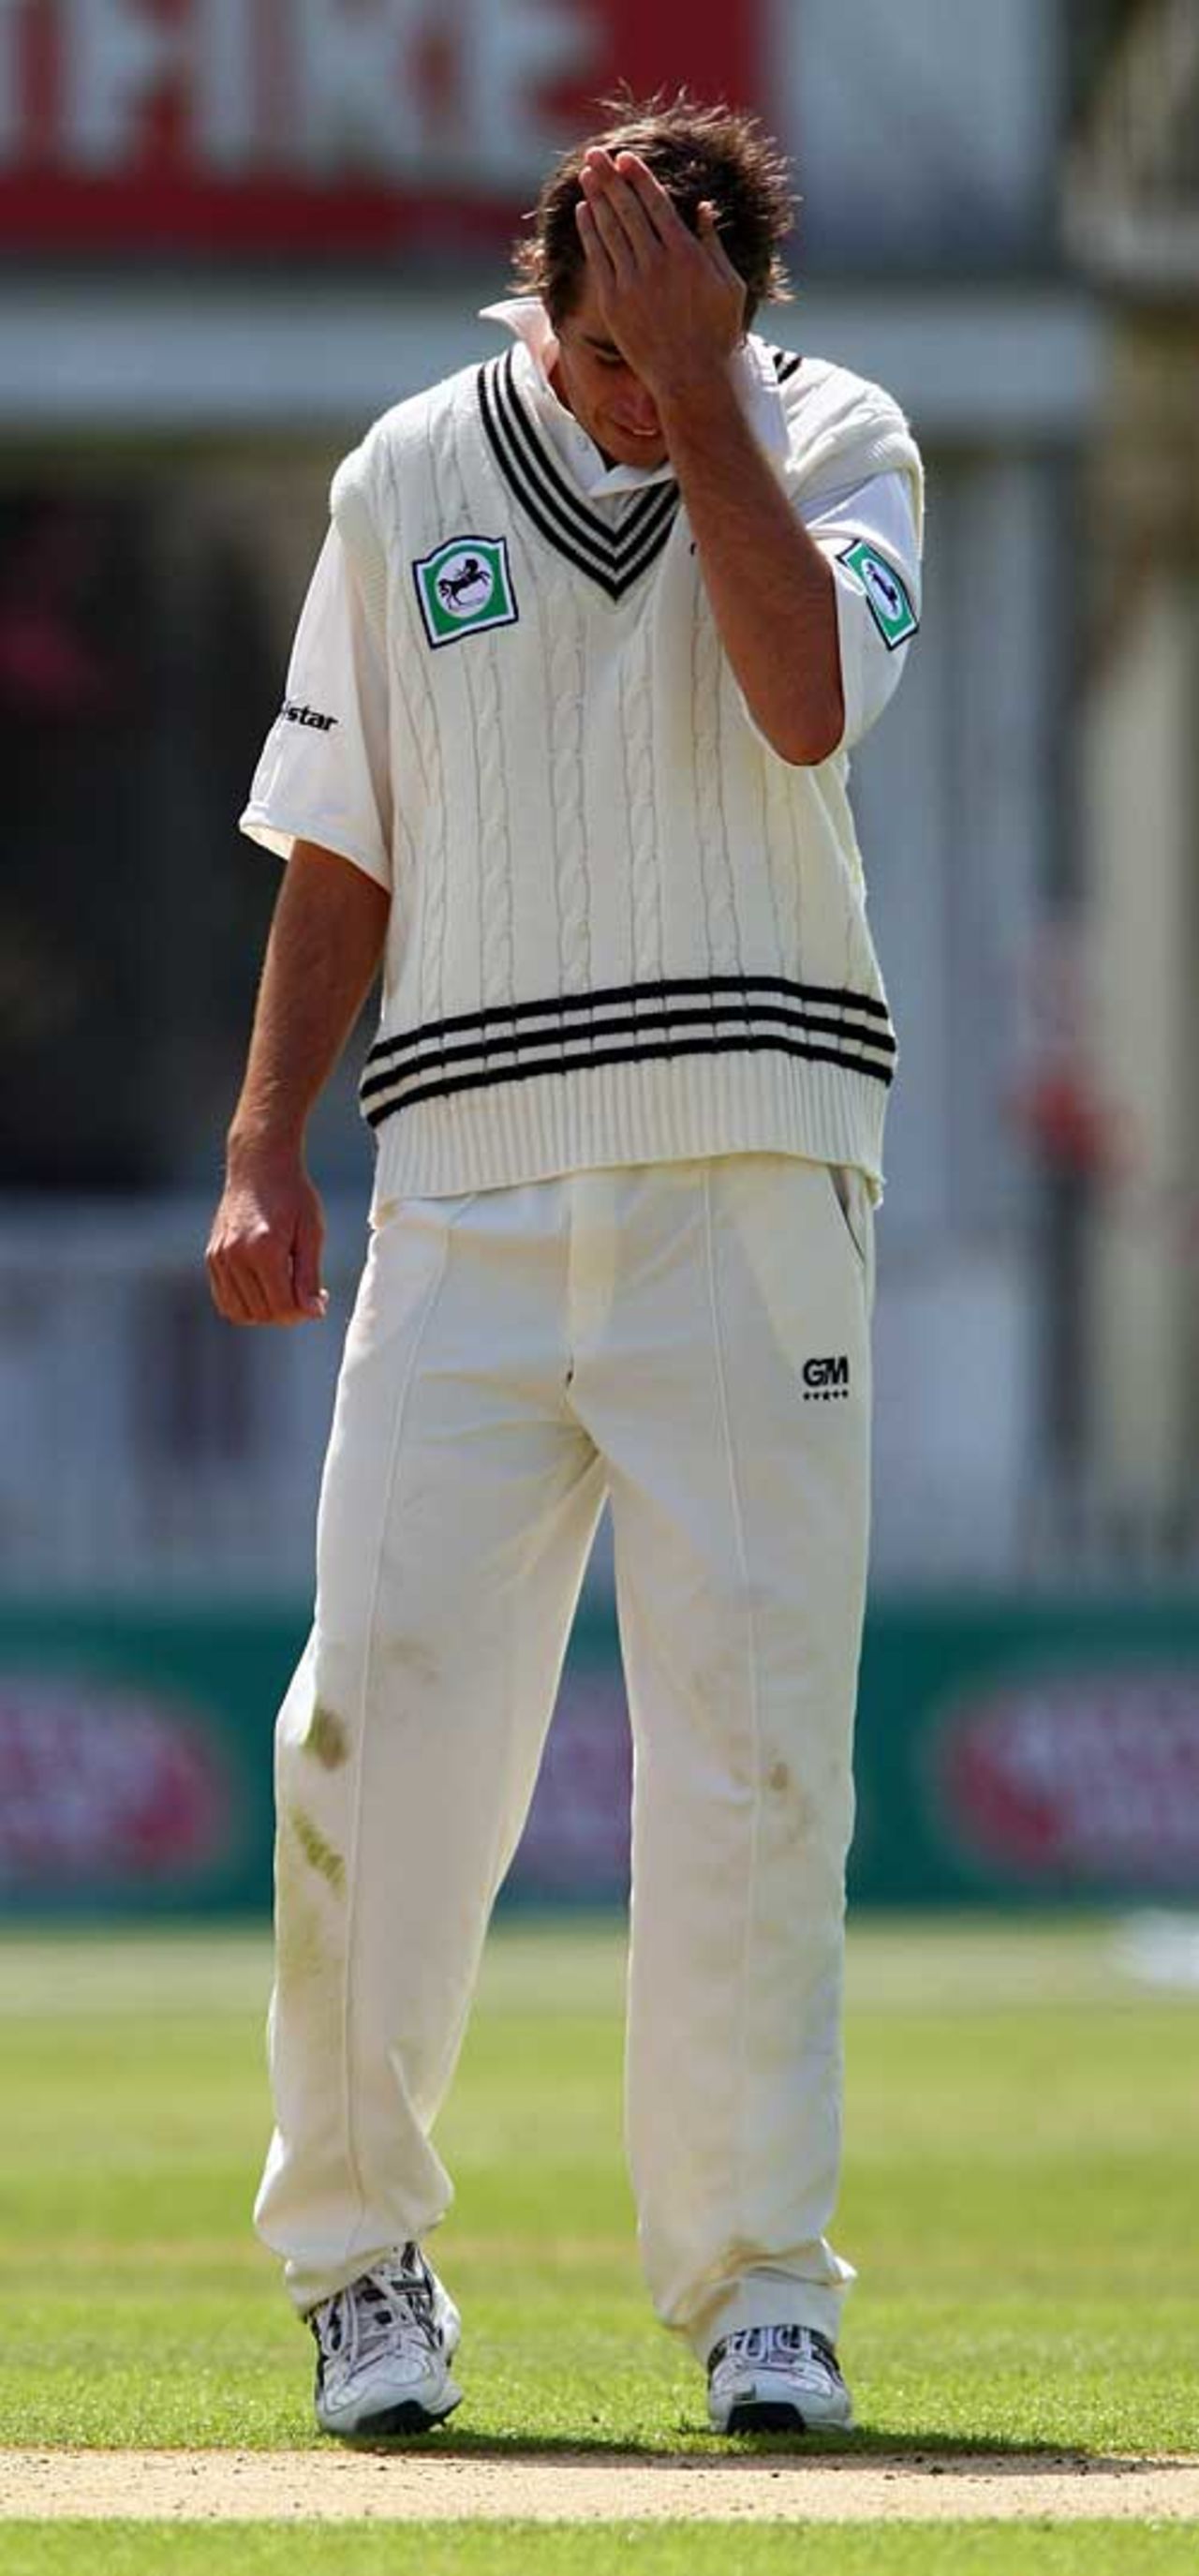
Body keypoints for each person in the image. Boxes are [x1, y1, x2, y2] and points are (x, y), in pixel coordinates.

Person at [206, 94, 923, 2442]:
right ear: (543, 305)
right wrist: (261, 1151)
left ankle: (756, 2294)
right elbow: (337, 839)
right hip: (469, 1189)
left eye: (677, 354)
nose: (629, 408)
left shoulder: (835, 444)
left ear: (740, 313)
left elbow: (804, 697)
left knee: (751, 1757)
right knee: (369, 1734)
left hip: (754, 1163)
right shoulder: (406, 474)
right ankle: (359, 2271)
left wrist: (709, 393)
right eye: (604, 361)